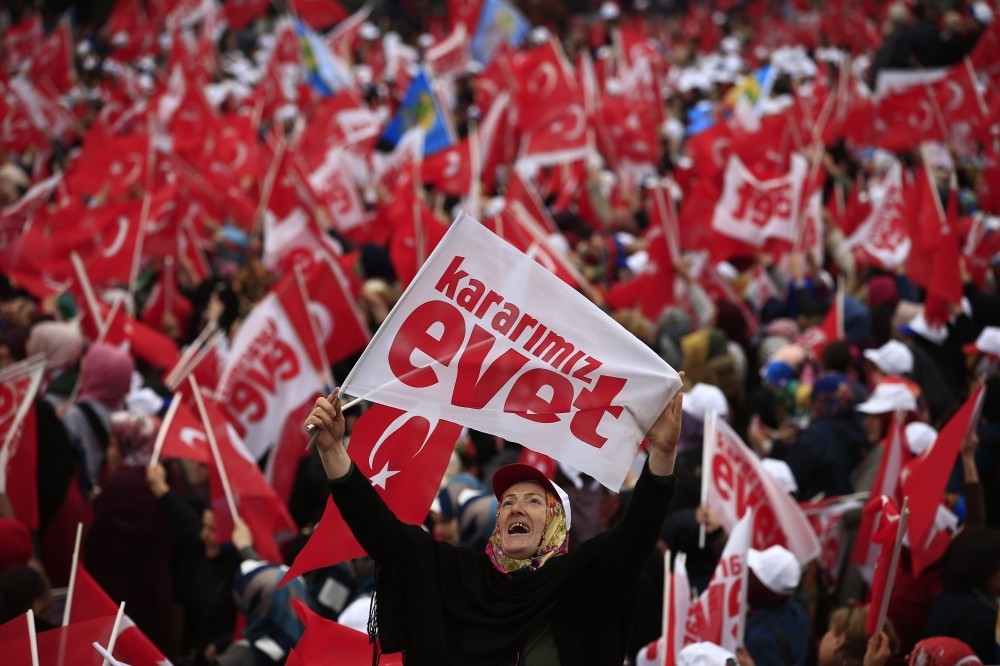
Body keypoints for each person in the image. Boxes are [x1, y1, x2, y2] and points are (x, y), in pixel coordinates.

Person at [305, 382, 685, 665]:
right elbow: (385, 538)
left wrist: (663, 454)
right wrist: (335, 453)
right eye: (507, 502)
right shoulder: (462, 578)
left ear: (556, 525)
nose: (516, 509)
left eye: (534, 501)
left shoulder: (584, 583)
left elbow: (637, 533)